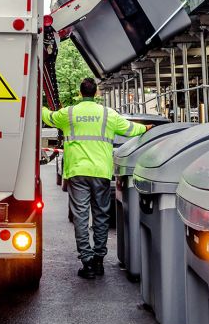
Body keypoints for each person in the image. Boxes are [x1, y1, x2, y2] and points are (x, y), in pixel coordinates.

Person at [42, 78, 150, 279]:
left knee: (81, 217)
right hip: (100, 172)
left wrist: (35, 104)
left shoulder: (69, 114)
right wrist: (146, 128)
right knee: (101, 216)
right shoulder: (109, 114)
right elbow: (131, 130)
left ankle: (87, 262)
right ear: (97, 93)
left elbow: (47, 116)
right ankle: (99, 259)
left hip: (77, 171)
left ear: (80, 92)